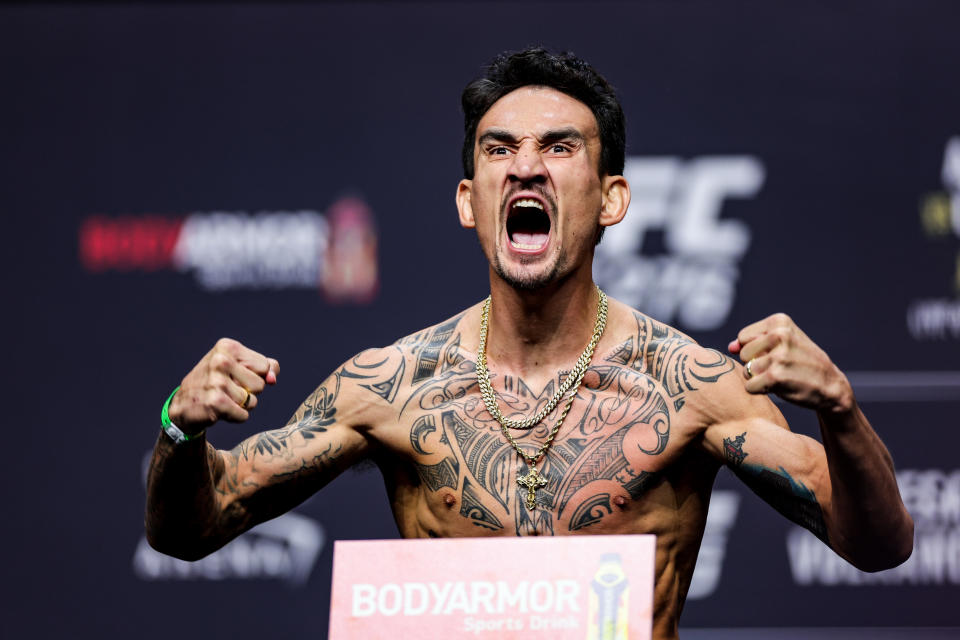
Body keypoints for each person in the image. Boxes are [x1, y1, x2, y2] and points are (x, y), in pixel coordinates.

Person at [146, 48, 913, 639]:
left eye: (560, 147)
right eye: (498, 148)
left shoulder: (690, 387)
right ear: (469, 201)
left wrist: (842, 411)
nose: (525, 166)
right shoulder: (391, 386)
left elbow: (878, 545)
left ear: (613, 198)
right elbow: (194, 527)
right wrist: (180, 427)